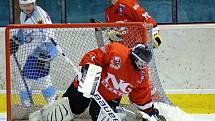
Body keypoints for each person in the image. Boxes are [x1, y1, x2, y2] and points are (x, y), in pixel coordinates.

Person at [29, 42, 166, 121]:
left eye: (144, 64)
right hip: (87, 85)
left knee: (102, 118)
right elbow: (94, 56)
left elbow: (141, 95)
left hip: (108, 97)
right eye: (140, 62)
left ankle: (119, 111)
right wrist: (88, 67)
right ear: (133, 55)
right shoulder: (117, 51)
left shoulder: (141, 75)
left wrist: (150, 111)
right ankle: (43, 118)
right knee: (65, 111)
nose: (141, 66)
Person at [10, 0, 57, 107]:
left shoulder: (39, 16)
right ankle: (52, 102)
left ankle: (27, 103)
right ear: (21, 5)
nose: (27, 7)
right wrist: (16, 41)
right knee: (42, 78)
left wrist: (46, 54)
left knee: (28, 78)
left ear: (34, 4)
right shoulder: (23, 14)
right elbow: (24, 30)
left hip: (44, 53)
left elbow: (49, 34)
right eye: (25, 5)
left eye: (30, 4)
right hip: (34, 52)